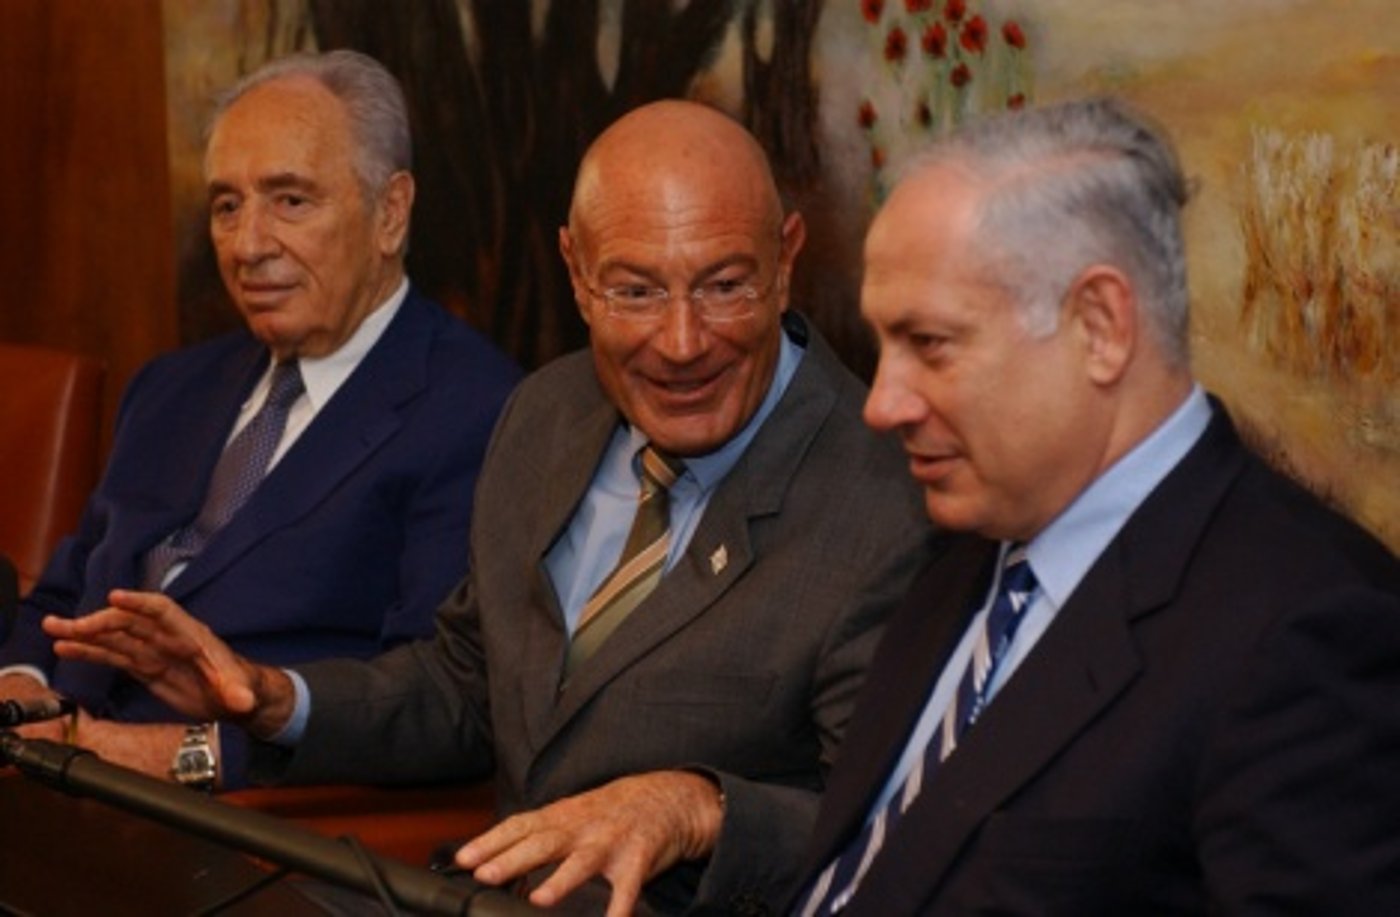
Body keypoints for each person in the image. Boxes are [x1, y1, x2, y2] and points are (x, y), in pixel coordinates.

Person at [43, 99, 939, 914]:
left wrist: (702, 807)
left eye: (723, 285)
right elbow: (465, 683)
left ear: (785, 260)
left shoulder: (887, 506)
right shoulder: (546, 414)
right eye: (634, 290)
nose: (680, 341)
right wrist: (278, 698)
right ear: (576, 273)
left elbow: (903, 829)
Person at [786, 97, 1400, 915]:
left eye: (929, 344)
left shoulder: (1308, 629)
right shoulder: (965, 554)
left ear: (1101, 326)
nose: (882, 402)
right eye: (883, 345)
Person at [0, 51, 521, 790]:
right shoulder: (171, 387)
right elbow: (61, 595)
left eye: (291, 201)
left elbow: (437, 708)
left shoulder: (479, 413)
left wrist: (152, 754)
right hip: (41, 773)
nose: (248, 245)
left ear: (391, 213)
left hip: (231, 814)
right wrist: (20, 690)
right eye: (226, 206)